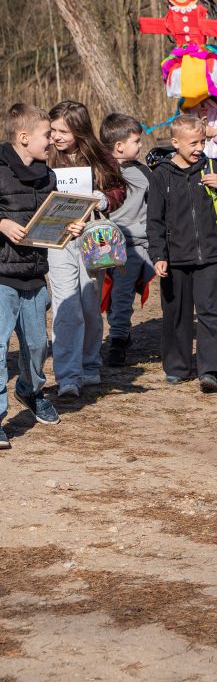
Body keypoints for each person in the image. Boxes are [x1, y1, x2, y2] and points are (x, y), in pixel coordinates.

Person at [0, 105, 85, 445]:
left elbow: (48, 222)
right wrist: (2, 223)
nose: (53, 140)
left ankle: (30, 390)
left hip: (35, 274)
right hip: (2, 275)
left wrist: (70, 227)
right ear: (23, 138)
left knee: (37, 346)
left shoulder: (48, 176)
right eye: (47, 135)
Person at [147, 116, 217, 392]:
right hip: (174, 259)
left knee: (211, 313)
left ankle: (210, 370)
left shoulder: (211, 169)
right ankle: (178, 367)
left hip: (209, 255)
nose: (199, 147)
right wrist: (158, 254)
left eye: (203, 141)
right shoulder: (161, 175)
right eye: (193, 143)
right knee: (176, 313)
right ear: (175, 143)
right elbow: (155, 220)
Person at [48, 101, 126, 399]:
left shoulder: (101, 155)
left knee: (89, 302)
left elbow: (119, 188)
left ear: (79, 130)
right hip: (58, 237)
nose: (55, 136)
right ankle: (68, 374)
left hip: (93, 239)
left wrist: (105, 199)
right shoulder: (46, 156)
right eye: (53, 130)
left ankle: (90, 362)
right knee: (66, 303)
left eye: (62, 131)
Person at [99, 114, 155, 368]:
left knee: (121, 293)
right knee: (108, 295)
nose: (141, 145)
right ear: (119, 145)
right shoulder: (100, 171)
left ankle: (118, 339)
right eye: (137, 141)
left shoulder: (145, 173)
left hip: (134, 244)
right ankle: (119, 330)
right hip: (103, 243)